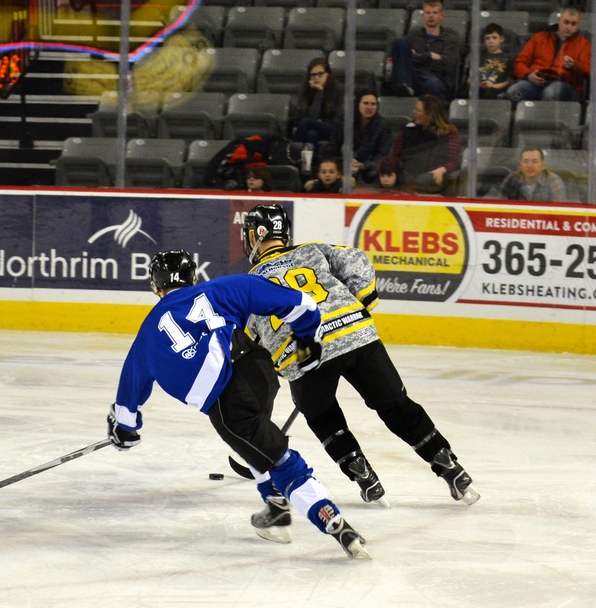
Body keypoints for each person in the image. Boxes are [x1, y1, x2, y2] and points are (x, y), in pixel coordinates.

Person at [109, 250, 371, 560]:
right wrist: (306, 342)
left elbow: (127, 407)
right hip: (260, 372)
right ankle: (274, 506)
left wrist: (124, 430)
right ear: (192, 277)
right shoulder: (222, 288)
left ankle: (332, 521)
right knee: (255, 443)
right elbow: (303, 304)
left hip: (226, 401)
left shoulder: (148, 332)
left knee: (277, 458)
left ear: (157, 286)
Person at [240, 204, 479, 508]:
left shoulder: (248, 283)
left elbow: (251, 336)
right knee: (395, 406)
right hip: (356, 334)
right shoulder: (314, 250)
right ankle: (448, 465)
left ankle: (361, 472)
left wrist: (280, 361)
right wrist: (359, 300)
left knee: (322, 415)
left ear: (257, 235)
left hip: (302, 351)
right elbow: (358, 261)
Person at [505, 7, 592, 102]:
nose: (569, 27)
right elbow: (520, 62)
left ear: (579, 25)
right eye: (566, 22)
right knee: (513, 91)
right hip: (535, 82)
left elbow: (588, 71)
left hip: (565, 84)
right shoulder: (539, 38)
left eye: (573, 24)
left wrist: (574, 66)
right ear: (559, 21)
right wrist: (528, 75)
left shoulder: (584, 44)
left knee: (549, 94)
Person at [381, 94, 460, 194]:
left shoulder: (448, 132)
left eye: (418, 110)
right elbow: (396, 156)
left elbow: (455, 161)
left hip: (431, 179)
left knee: (422, 180)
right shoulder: (408, 129)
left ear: (429, 114)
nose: (414, 112)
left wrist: (443, 169)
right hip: (406, 179)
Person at [386, 0, 460, 102]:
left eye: (435, 13)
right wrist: (429, 56)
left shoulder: (450, 39)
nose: (431, 16)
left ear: (441, 15)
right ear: (423, 15)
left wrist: (416, 56)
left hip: (435, 77)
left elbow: (447, 66)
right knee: (400, 42)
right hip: (412, 74)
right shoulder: (414, 34)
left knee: (433, 84)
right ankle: (403, 87)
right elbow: (402, 57)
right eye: (428, 12)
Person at [325, 93, 392, 185]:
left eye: (373, 104)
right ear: (358, 104)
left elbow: (382, 156)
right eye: (366, 103)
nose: (369, 107)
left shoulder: (383, 126)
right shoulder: (343, 122)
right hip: (341, 169)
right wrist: (342, 162)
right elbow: (330, 150)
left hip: (368, 173)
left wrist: (363, 165)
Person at [290, 58, 342, 148]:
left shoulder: (338, 89)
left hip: (332, 129)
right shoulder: (306, 89)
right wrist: (319, 93)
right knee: (312, 135)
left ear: (328, 74)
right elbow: (311, 116)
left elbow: (338, 120)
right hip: (311, 127)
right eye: (313, 75)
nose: (316, 78)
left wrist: (320, 92)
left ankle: (293, 154)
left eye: (320, 74)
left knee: (305, 123)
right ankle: (312, 161)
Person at [498, 147, 567, 202]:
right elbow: (498, 206)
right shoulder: (511, 179)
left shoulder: (554, 181)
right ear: (520, 165)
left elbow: (558, 214)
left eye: (535, 161)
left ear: (543, 165)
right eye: (526, 161)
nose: (530, 165)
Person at [475, 23, 515, 99]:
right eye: (487, 38)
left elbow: (509, 81)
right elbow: (469, 78)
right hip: (478, 89)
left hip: (497, 90)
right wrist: (477, 84)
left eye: (494, 38)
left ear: (501, 39)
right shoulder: (478, 57)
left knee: (489, 93)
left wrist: (493, 86)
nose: (491, 41)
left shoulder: (508, 58)